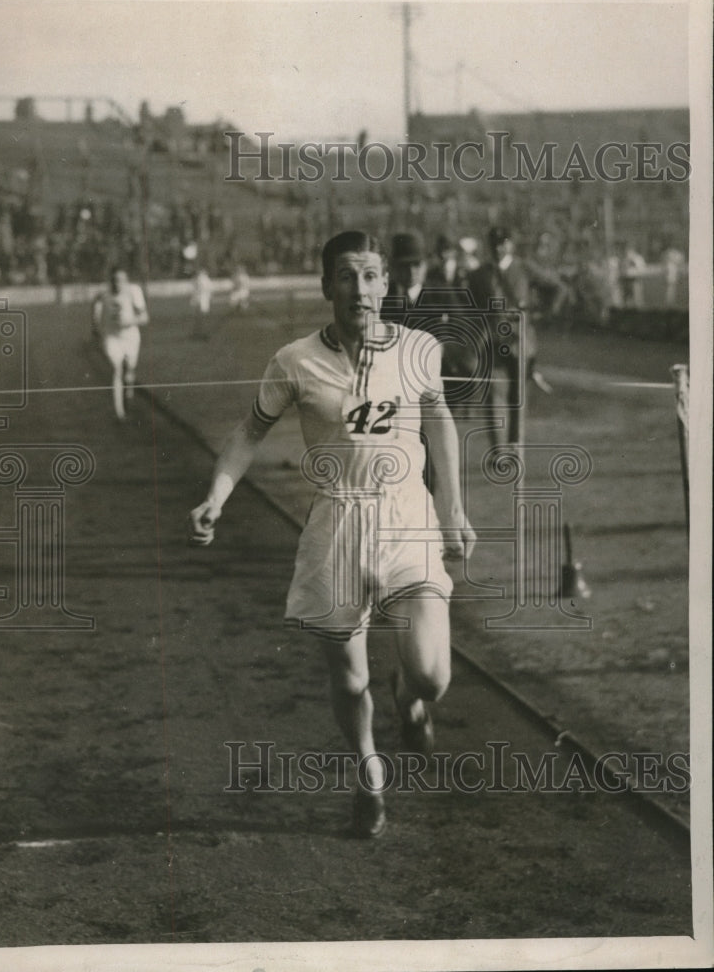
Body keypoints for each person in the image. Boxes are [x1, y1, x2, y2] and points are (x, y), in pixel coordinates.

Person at [188, 230, 475, 838]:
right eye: (346, 276)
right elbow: (248, 433)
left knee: (432, 673)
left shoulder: (419, 349)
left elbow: (441, 423)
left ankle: (410, 699)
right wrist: (217, 495)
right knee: (348, 678)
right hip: (337, 527)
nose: (360, 289)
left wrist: (453, 509)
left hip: (406, 519)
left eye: (371, 276)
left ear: (386, 285)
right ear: (326, 286)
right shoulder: (294, 361)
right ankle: (367, 770)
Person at [469, 226, 545, 451]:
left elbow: (556, 288)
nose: (498, 248)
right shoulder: (479, 275)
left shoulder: (524, 268)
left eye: (503, 243)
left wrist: (537, 312)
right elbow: (470, 307)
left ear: (510, 244)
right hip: (492, 342)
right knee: (493, 395)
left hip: (520, 342)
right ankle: (498, 450)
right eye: (494, 244)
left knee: (518, 396)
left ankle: (515, 444)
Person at [91, 266, 149, 421]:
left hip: (130, 337)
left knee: (129, 370)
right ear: (111, 281)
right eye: (115, 280)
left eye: (121, 280)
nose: (118, 284)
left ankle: (128, 386)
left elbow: (144, 317)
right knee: (116, 370)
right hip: (112, 337)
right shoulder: (104, 294)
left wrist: (130, 321)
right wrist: (95, 325)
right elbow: (95, 304)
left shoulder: (134, 292)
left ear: (127, 281)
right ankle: (119, 411)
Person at [190, 266, 213, 339]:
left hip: (201, 299)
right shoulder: (201, 279)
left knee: (200, 317)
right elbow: (207, 290)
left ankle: (201, 333)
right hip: (201, 299)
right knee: (200, 317)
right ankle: (199, 333)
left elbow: (206, 290)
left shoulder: (202, 279)